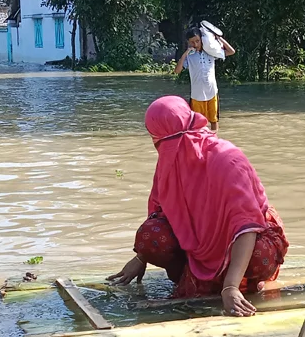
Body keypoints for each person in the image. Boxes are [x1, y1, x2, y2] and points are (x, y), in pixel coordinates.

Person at [107, 96, 288, 316]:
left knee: (259, 255)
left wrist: (230, 286)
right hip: (198, 241)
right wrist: (140, 258)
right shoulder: (170, 160)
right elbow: (160, 212)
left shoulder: (227, 159)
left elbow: (246, 226)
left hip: (245, 240)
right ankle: (191, 275)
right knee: (150, 236)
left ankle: (239, 283)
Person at [173, 26, 235, 131]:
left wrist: (218, 38)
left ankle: (214, 143)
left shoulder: (211, 52)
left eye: (197, 41)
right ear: (188, 43)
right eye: (192, 42)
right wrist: (185, 54)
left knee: (214, 120)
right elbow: (177, 71)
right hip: (197, 96)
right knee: (197, 124)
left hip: (212, 93)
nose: (195, 44)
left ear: (202, 39)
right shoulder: (190, 56)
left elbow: (231, 51)